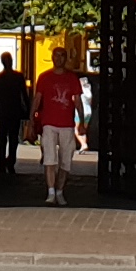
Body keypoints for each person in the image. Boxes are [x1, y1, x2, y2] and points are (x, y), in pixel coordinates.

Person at [32, 51, 88, 205]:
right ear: (52, 58)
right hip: (48, 123)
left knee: (65, 160)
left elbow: (77, 101)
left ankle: (59, 190)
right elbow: (38, 98)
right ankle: (51, 191)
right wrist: (32, 118)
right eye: (56, 55)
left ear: (66, 58)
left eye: (62, 55)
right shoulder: (44, 77)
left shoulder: (71, 78)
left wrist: (81, 122)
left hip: (67, 124)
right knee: (49, 159)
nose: (58, 58)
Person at [0, 54, 30, 173]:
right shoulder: (18, 77)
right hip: (14, 111)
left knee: (2, 138)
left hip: (3, 111)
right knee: (13, 138)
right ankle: (10, 162)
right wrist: (28, 110)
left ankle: (2, 163)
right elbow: (24, 95)